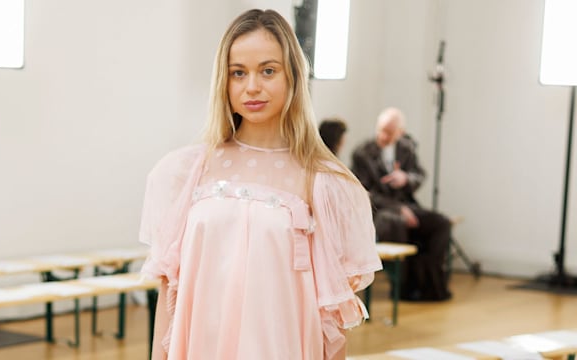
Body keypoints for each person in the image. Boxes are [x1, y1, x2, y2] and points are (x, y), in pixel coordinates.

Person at [138, 9, 382, 360]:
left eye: (268, 71)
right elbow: (169, 294)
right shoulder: (188, 169)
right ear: (224, 80)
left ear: (293, 76)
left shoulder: (325, 182)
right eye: (238, 73)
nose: (252, 86)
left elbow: (331, 319)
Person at [351, 107, 451, 302]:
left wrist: (405, 178)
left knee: (441, 223)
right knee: (395, 223)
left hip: (408, 205)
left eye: (389, 132)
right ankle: (403, 288)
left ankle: (430, 285)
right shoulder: (362, 153)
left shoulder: (406, 149)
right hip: (380, 210)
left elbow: (419, 174)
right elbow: (363, 192)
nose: (383, 136)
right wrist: (398, 209)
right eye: (380, 130)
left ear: (400, 133)